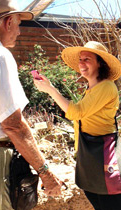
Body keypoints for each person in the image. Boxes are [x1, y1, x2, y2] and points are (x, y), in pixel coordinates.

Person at [0, 0, 62, 209]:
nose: (19, 32)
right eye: (18, 24)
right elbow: (13, 124)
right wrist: (45, 172)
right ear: (7, 22)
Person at [34, 41, 121, 210]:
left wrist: (51, 89)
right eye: (80, 59)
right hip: (90, 154)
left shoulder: (106, 87)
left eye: (87, 59)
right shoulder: (91, 89)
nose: (81, 63)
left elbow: (76, 112)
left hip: (103, 154)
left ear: (100, 63)